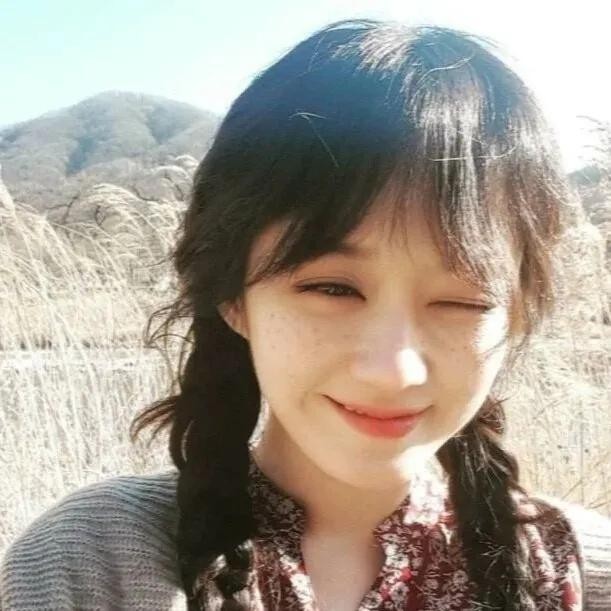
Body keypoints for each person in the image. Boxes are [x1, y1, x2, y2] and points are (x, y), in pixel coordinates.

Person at [1, 18, 610, 611]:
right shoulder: (91, 564)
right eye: (332, 288)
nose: (392, 371)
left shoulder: (583, 575)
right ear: (232, 295)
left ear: (519, 313)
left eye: (462, 301)